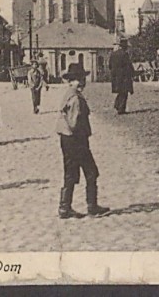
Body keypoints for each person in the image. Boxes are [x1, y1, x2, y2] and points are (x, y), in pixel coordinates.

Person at [56, 63, 109, 219]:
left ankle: (65, 207)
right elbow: (74, 123)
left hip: (67, 139)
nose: (82, 82)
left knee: (70, 172)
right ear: (71, 81)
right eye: (78, 79)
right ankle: (91, 206)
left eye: (82, 78)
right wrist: (82, 140)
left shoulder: (68, 94)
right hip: (76, 140)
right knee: (91, 172)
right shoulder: (75, 98)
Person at [108, 38, 134, 115]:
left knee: (120, 91)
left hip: (115, 76)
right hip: (124, 76)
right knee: (124, 92)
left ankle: (117, 105)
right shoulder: (125, 54)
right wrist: (132, 73)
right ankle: (121, 109)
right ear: (125, 46)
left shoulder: (113, 54)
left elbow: (110, 65)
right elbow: (128, 65)